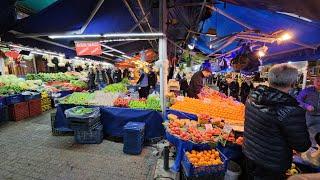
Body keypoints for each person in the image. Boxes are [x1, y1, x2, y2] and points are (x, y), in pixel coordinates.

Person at [244, 64, 311, 180]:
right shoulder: (290, 110)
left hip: (249, 154)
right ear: (293, 83)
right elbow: (302, 145)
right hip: (271, 164)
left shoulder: (252, 96)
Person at [297, 76, 320, 148]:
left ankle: (313, 148)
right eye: (318, 81)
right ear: (314, 81)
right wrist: (306, 106)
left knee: (316, 135)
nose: (319, 83)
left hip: (319, 117)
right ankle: (301, 147)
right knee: (303, 132)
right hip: (308, 115)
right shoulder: (307, 90)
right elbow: (298, 100)